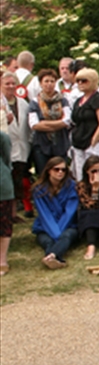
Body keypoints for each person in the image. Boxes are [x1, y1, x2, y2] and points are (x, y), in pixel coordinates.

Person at [31, 156, 78, 269]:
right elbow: (44, 214)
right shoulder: (39, 189)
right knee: (47, 241)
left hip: (68, 225)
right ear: (49, 171)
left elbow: (70, 212)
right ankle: (55, 258)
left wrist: (58, 233)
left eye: (63, 169)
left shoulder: (71, 186)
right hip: (44, 226)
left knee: (67, 236)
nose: (60, 172)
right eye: (56, 169)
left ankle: (51, 256)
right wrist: (56, 234)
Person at [29, 70, 72, 179]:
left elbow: (67, 120)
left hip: (60, 144)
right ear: (40, 83)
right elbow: (34, 124)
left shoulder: (63, 100)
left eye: (52, 81)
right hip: (41, 145)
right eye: (46, 81)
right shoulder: (35, 102)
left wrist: (45, 123)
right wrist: (59, 123)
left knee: (60, 175)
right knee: (43, 176)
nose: (49, 84)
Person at [68, 68, 99, 181]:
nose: (80, 83)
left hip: (94, 143)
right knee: (80, 175)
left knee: (95, 173)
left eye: (84, 80)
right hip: (78, 143)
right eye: (78, 81)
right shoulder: (78, 101)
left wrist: (93, 141)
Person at [2, 71, 32, 218]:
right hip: (6, 148)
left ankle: (20, 210)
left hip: (23, 146)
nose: (11, 86)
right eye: (7, 83)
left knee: (21, 179)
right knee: (10, 182)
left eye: (13, 83)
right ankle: (10, 214)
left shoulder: (23, 103)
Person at [0, 113, 14, 275]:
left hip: (2, 186)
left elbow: (6, 157)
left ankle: (2, 259)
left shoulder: (2, 137)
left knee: (3, 224)